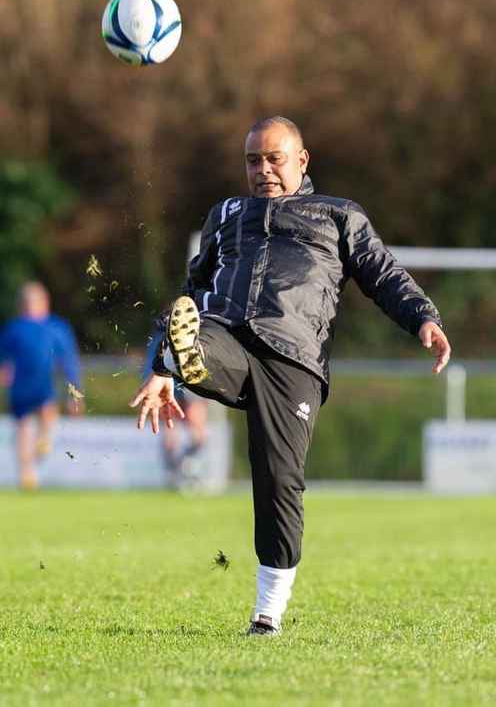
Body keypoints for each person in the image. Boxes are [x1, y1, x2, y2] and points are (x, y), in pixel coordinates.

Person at [130, 116, 451, 636]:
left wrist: (423, 317)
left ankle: (268, 612)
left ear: (302, 160)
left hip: (294, 358)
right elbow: (192, 290)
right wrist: (161, 367)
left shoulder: (338, 215)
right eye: (252, 160)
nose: (262, 170)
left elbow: (382, 271)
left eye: (273, 158)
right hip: (225, 335)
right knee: (193, 330)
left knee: (278, 480)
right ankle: (181, 361)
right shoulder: (226, 214)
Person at [0, 282, 82, 490]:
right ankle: (26, 474)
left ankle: (43, 444)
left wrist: (75, 393)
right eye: (27, 302)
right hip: (21, 387)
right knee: (23, 428)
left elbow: (69, 362)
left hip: (45, 385)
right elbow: (3, 356)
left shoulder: (56, 328)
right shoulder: (14, 328)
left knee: (48, 415)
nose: (30, 306)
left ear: (45, 302)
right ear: (21, 304)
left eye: (35, 301)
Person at [144, 332, 209, 490]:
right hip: (169, 387)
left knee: (198, 434)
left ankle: (188, 468)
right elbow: (150, 366)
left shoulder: (195, 334)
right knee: (171, 433)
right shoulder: (161, 338)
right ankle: (174, 472)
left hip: (191, 387)